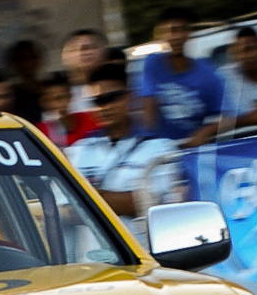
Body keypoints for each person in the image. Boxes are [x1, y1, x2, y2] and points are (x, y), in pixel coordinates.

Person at [65, 62, 178, 239]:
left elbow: (154, 205)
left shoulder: (160, 148)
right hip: (90, 263)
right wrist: (120, 200)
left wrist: (84, 199)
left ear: (129, 97)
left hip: (145, 257)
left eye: (112, 97)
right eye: (97, 101)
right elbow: (62, 211)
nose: (105, 106)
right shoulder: (77, 152)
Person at [139, 7, 226, 147]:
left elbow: (227, 117)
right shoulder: (153, 64)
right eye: (171, 31)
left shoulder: (207, 73)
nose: (176, 37)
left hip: (195, 150)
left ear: (188, 34)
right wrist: (151, 142)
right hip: (162, 151)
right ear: (162, 35)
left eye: (181, 30)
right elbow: (150, 105)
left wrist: (205, 132)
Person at [38, 71, 98, 146]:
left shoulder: (91, 119)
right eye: (55, 99)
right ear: (44, 102)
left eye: (64, 97)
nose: (62, 103)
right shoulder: (39, 132)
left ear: (71, 97)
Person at [61, 28, 108, 112]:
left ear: (104, 53)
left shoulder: (118, 87)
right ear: (64, 56)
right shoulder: (58, 95)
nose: (84, 52)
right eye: (75, 48)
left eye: (91, 47)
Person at [5, 40, 46, 123]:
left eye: (31, 58)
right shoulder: (10, 95)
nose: (27, 63)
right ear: (14, 64)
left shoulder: (50, 89)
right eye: (21, 59)